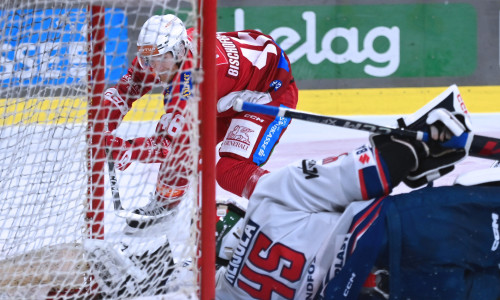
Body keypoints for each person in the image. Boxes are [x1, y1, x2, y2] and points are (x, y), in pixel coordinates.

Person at [214, 102, 500, 299]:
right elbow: (358, 175)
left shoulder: (232, 294)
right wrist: (418, 144)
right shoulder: (268, 198)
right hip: (405, 233)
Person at [104, 14, 298, 227]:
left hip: (266, 94)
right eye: (148, 60)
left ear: (178, 52)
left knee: (230, 170)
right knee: (187, 147)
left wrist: (129, 150)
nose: (155, 68)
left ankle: (291, 203)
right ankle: (165, 203)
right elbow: (124, 91)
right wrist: (102, 125)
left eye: (161, 59)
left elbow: (171, 145)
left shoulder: (193, 81)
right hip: (227, 94)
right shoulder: (160, 52)